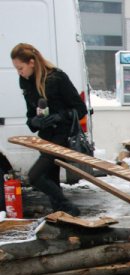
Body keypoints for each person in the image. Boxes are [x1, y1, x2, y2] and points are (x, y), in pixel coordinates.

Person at [11, 43, 87, 216]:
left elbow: (80, 108)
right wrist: (35, 122)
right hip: (45, 137)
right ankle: (62, 217)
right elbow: (30, 115)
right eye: (16, 69)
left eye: (20, 68)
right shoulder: (25, 81)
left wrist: (60, 116)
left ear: (31, 62)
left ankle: (69, 209)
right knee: (51, 179)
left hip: (62, 136)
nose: (19, 72)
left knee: (35, 176)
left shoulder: (57, 77)